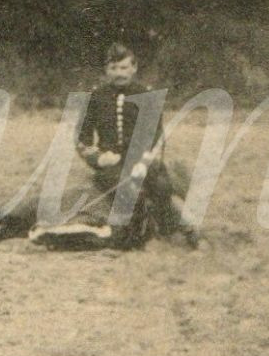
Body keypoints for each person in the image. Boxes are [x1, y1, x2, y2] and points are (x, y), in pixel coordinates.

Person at [73, 42, 199, 248]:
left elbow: (156, 136)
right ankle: (133, 236)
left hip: (142, 161)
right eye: (113, 69)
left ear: (134, 68)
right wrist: (98, 158)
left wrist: (144, 162)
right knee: (125, 189)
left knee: (161, 186)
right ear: (106, 70)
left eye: (123, 68)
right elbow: (81, 138)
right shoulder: (96, 97)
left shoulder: (148, 96)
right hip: (111, 164)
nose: (119, 73)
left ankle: (177, 228)